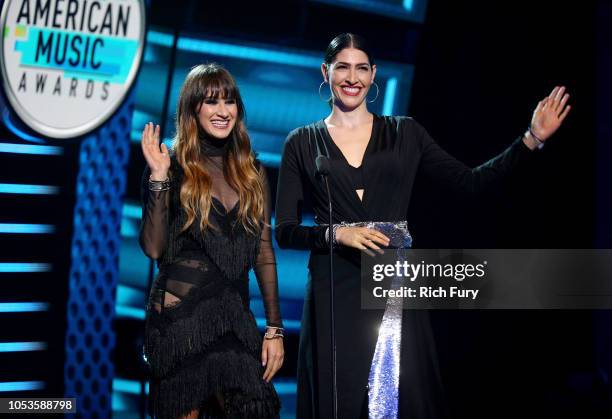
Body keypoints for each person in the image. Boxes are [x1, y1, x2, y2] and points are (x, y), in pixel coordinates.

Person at [274, 33, 570, 418]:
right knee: (339, 400)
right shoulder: (301, 141)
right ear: (326, 72)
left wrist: (531, 139)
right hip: (335, 286)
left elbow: (470, 183)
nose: (352, 77)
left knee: (397, 399)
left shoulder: (405, 132)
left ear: (374, 73)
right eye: (342, 67)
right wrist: (336, 233)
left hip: (393, 281)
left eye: (361, 68)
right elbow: (285, 229)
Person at [139, 63, 284, 419]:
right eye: (211, 102)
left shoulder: (252, 171)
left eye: (230, 101)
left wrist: (275, 328)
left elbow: (263, 253)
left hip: (235, 320)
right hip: (180, 325)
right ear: (193, 109)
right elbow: (155, 249)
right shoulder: (171, 167)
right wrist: (158, 179)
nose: (223, 111)